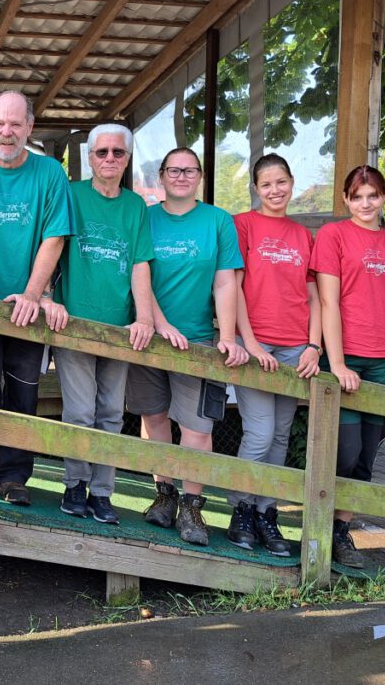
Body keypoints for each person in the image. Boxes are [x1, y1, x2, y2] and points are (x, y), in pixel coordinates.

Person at [41, 124, 169, 525]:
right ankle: (75, 484)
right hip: (74, 323)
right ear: (89, 158)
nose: (109, 159)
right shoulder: (71, 195)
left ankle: (102, 492)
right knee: (80, 411)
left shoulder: (134, 207)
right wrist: (47, 298)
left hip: (118, 329)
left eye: (117, 152)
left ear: (127, 159)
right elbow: (49, 246)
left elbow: (139, 263)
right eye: (102, 152)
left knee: (112, 412)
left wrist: (144, 317)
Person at [0, 90, 75, 506]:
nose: (7, 133)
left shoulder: (49, 174)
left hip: (26, 306)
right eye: (0, 124)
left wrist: (32, 293)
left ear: (30, 128)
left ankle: (13, 477)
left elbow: (54, 237)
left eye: (15, 124)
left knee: (24, 391)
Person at [125, 147, 248, 546]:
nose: (181, 176)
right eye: (173, 170)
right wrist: (158, 323)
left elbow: (226, 281)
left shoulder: (217, 221)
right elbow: (138, 272)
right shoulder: (145, 217)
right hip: (149, 339)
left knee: (197, 428)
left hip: (196, 342)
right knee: (154, 417)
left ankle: (193, 505)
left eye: (189, 170)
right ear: (161, 176)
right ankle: (164, 495)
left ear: (200, 176)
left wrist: (226, 337)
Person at [311, 164, 385, 568]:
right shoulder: (333, 236)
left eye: (373, 195)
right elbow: (328, 302)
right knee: (344, 454)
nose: (366, 203)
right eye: (358, 196)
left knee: (365, 458)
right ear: (346, 199)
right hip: (349, 359)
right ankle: (321, 525)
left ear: (384, 197)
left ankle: (340, 533)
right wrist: (339, 362)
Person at [227, 154, 322, 557]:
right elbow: (235, 285)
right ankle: (242, 511)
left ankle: (268, 514)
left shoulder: (304, 236)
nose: (275, 190)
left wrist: (314, 347)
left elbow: (315, 296)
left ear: (291, 181)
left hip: (295, 347)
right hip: (258, 343)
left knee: (281, 434)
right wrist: (248, 342)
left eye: (281, 182)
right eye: (266, 184)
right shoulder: (244, 225)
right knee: (259, 431)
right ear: (256, 188)